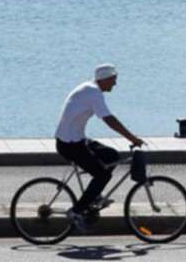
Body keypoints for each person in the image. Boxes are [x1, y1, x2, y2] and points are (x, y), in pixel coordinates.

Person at [54, 63, 145, 232]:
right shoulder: (94, 93)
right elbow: (109, 119)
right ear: (105, 79)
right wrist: (132, 138)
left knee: (111, 155)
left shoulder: (91, 88)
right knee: (102, 176)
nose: (115, 84)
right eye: (113, 80)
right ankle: (76, 210)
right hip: (69, 144)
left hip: (76, 139)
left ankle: (94, 196)